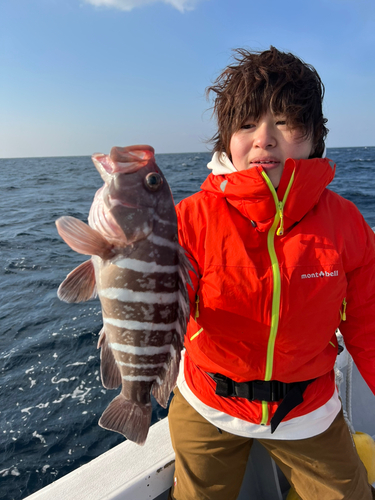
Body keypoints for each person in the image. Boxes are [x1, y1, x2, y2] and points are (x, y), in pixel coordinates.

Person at [167, 47, 375, 500]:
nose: (264, 139)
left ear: (315, 136)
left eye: (284, 122)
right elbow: (160, 309)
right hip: (208, 403)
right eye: (246, 124)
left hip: (308, 410)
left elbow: (368, 323)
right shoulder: (188, 219)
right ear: (226, 139)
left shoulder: (347, 224)